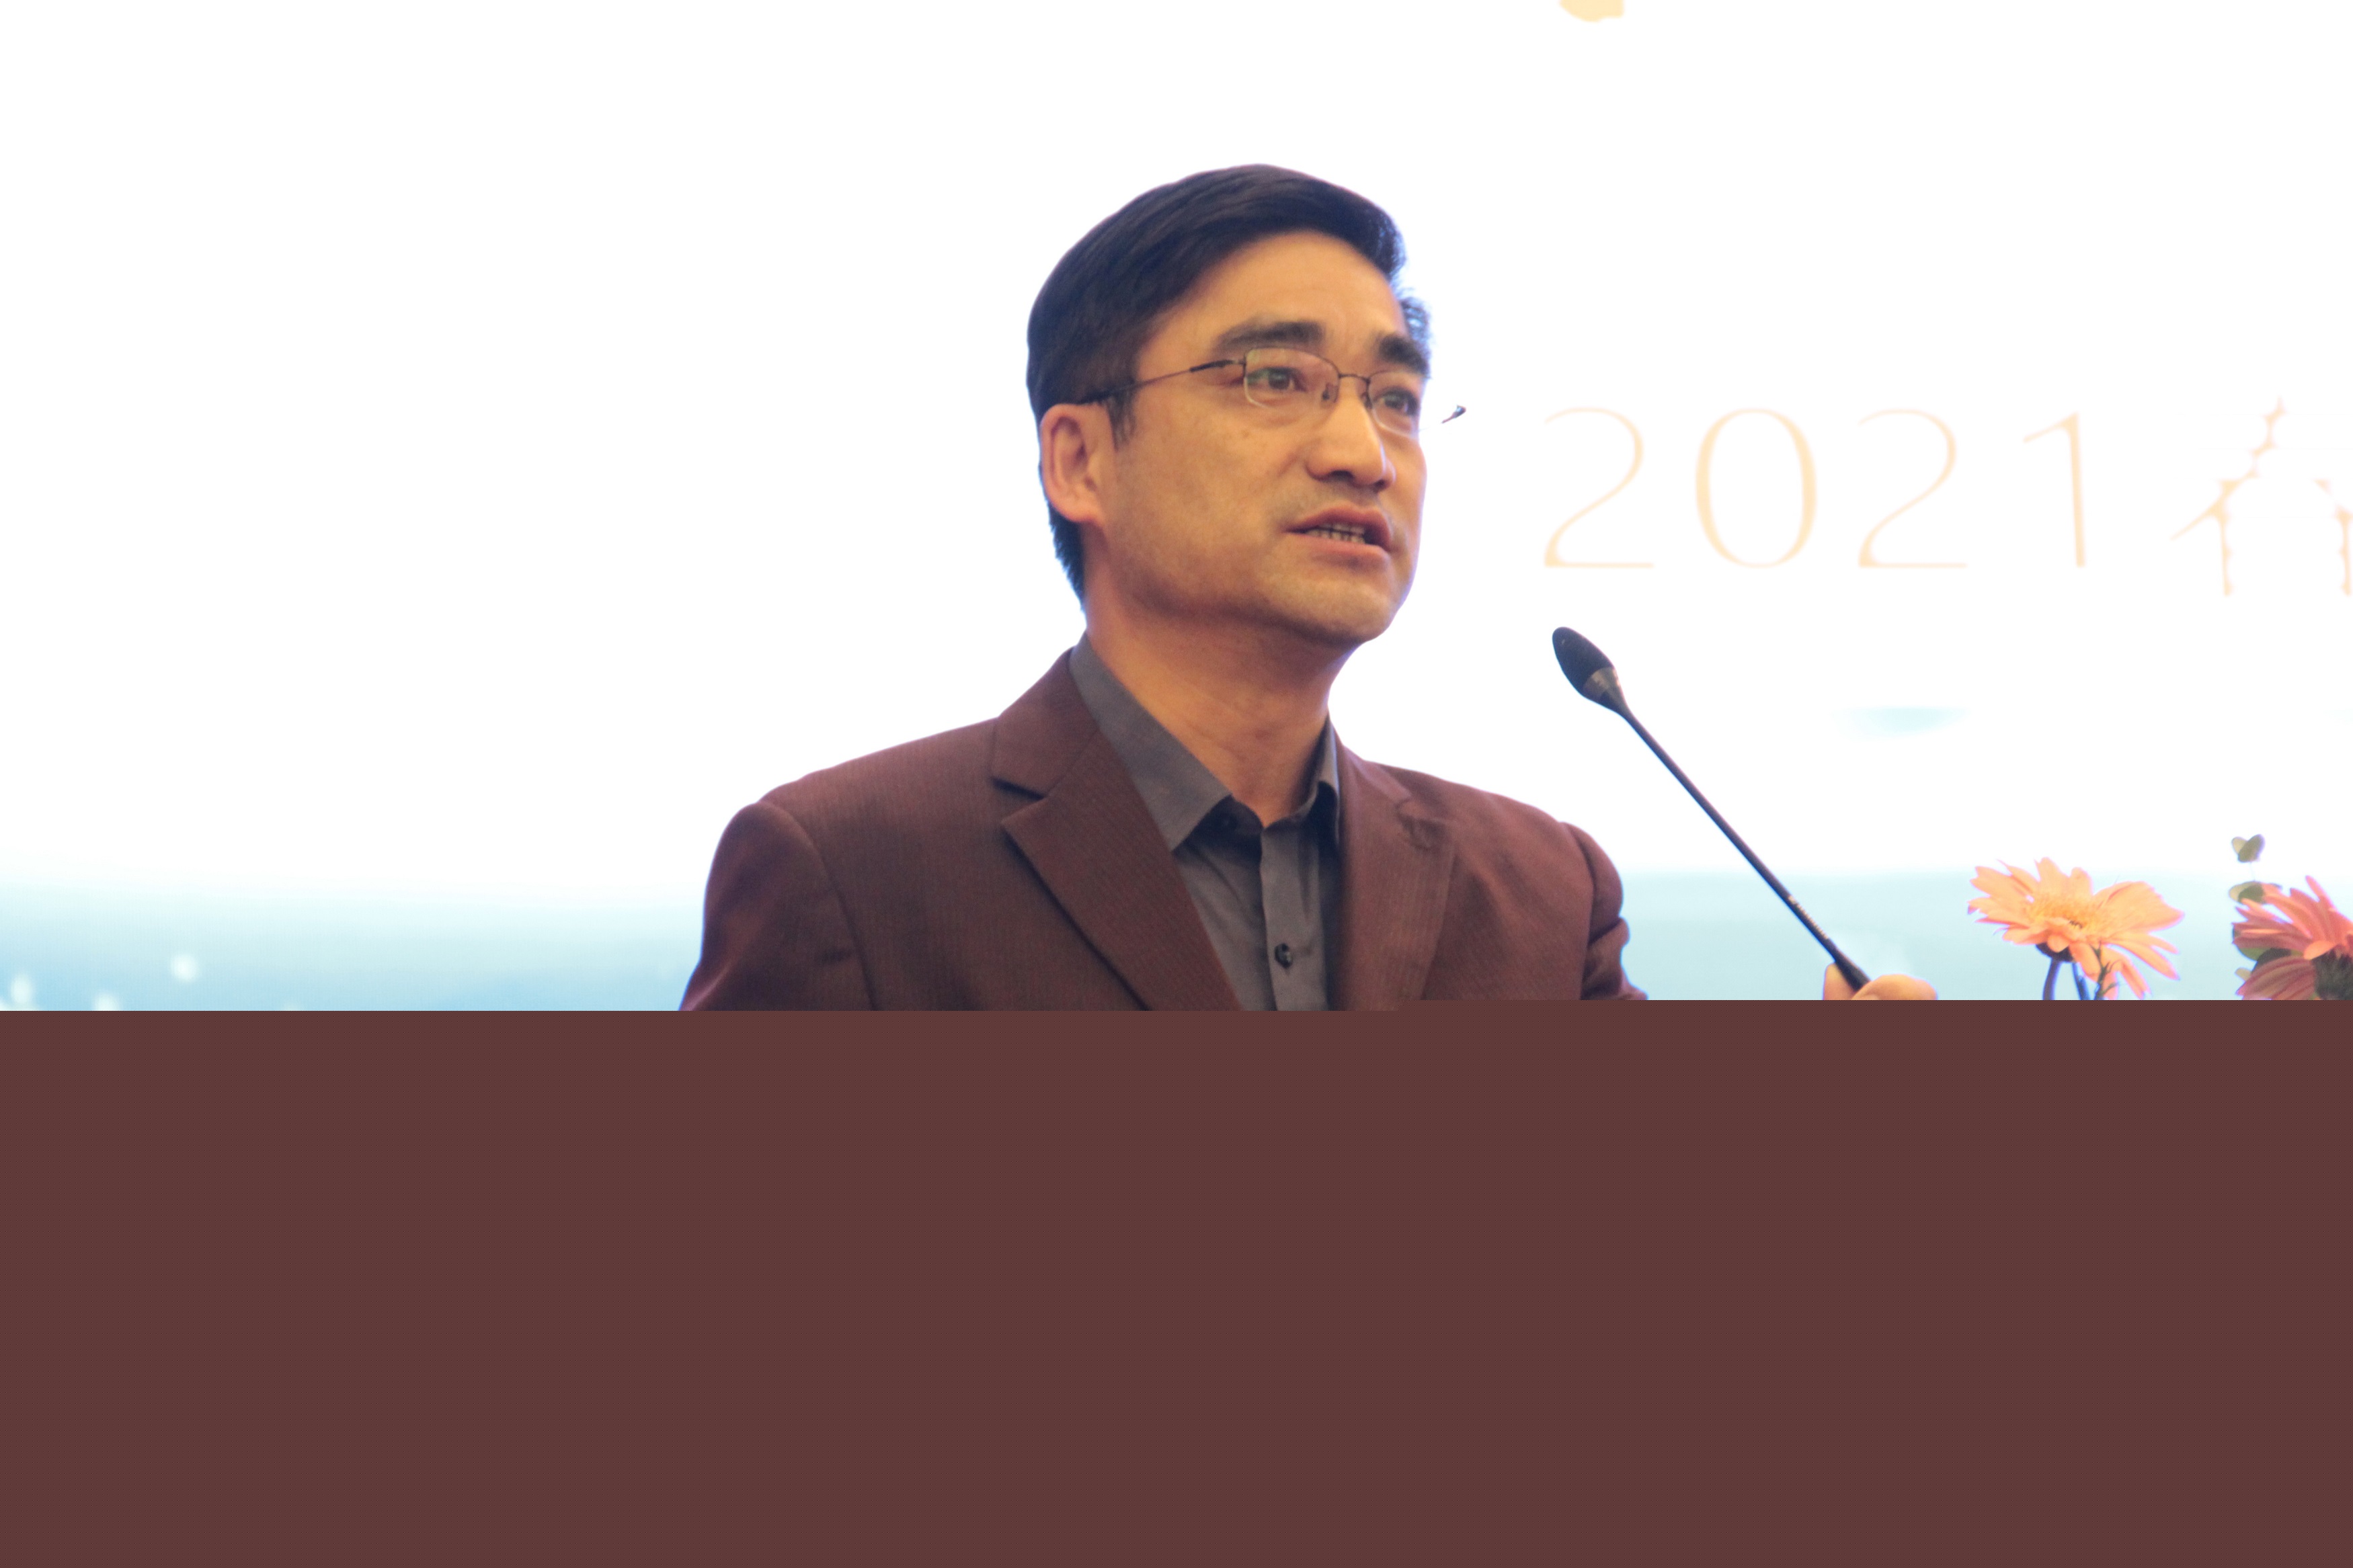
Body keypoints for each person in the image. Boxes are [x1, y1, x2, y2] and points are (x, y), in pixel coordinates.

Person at [682, 165, 1932, 1008]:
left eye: (1395, 399)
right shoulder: (851, 874)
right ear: (1081, 461)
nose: (1362, 452)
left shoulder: (1540, 894)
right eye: (1275, 380)